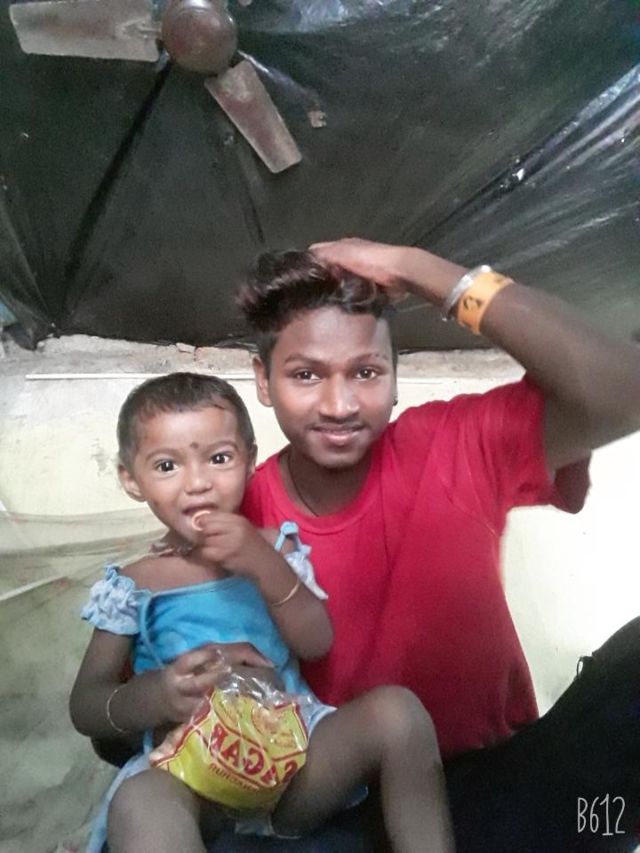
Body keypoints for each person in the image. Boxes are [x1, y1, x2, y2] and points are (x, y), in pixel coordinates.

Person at [229, 240, 640, 853]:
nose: (339, 405)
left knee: (601, 794)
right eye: (306, 374)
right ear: (264, 380)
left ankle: (600, 834)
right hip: (339, 813)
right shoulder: (237, 517)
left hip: (506, 786)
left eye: (366, 372)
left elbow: (628, 390)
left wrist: (419, 270)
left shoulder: (453, 444)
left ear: (396, 378)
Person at [69, 372, 455, 853]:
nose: (198, 483)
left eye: (219, 458)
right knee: (139, 802)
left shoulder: (274, 548)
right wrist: (158, 695)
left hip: (295, 762)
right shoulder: (133, 585)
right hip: (190, 773)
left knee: (399, 713)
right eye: (167, 466)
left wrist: (262, 563)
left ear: (250, 460)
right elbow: (86, 705)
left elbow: (316, 642)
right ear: (131, 479)